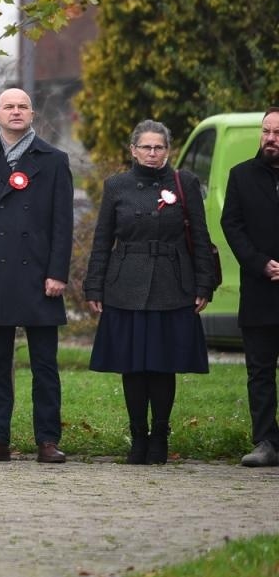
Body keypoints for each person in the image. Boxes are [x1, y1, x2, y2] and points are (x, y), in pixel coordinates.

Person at [84, 120, 215, 464]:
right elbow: (102, 241)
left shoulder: (184, 183)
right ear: (133, 150)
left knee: (161, 365)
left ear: (168, 150)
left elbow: (201, 238)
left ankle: (160, 434)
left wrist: (204, 285)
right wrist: (93, 285)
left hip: (172, 285)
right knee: (133, 367)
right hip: (124, 285)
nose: (153, 154)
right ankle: (137, 436)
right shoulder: (116, 186)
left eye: (159, 148)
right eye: (146, 147)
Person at [0, 88, 74, 464]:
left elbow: (63, 223)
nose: (15, 112)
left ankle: (47, 440)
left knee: (44, 364)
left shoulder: (54, 160)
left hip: (41, 275)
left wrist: (58, 272)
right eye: (8, 106)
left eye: (22, 106)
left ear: (32, 114)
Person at [218, 106, 279, 468]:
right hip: (259, 291)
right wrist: (259, 263)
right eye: (266, 131)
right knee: (259, 371)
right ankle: (266, 441)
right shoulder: (241, 175)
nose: (271, 139)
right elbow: (232, 225)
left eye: (277, 133)